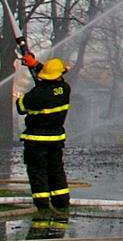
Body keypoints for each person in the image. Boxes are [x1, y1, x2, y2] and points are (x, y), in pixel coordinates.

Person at [15, 57, 71, 214]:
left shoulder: (37, 94)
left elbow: (20, 107)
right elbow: (51, 81)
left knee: (38, 171)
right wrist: (35, 65)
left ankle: (43, 205)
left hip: (36, 141)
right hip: (56, 139)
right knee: (56, 170)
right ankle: (61, 202)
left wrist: (21, 96)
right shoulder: (65, 89)